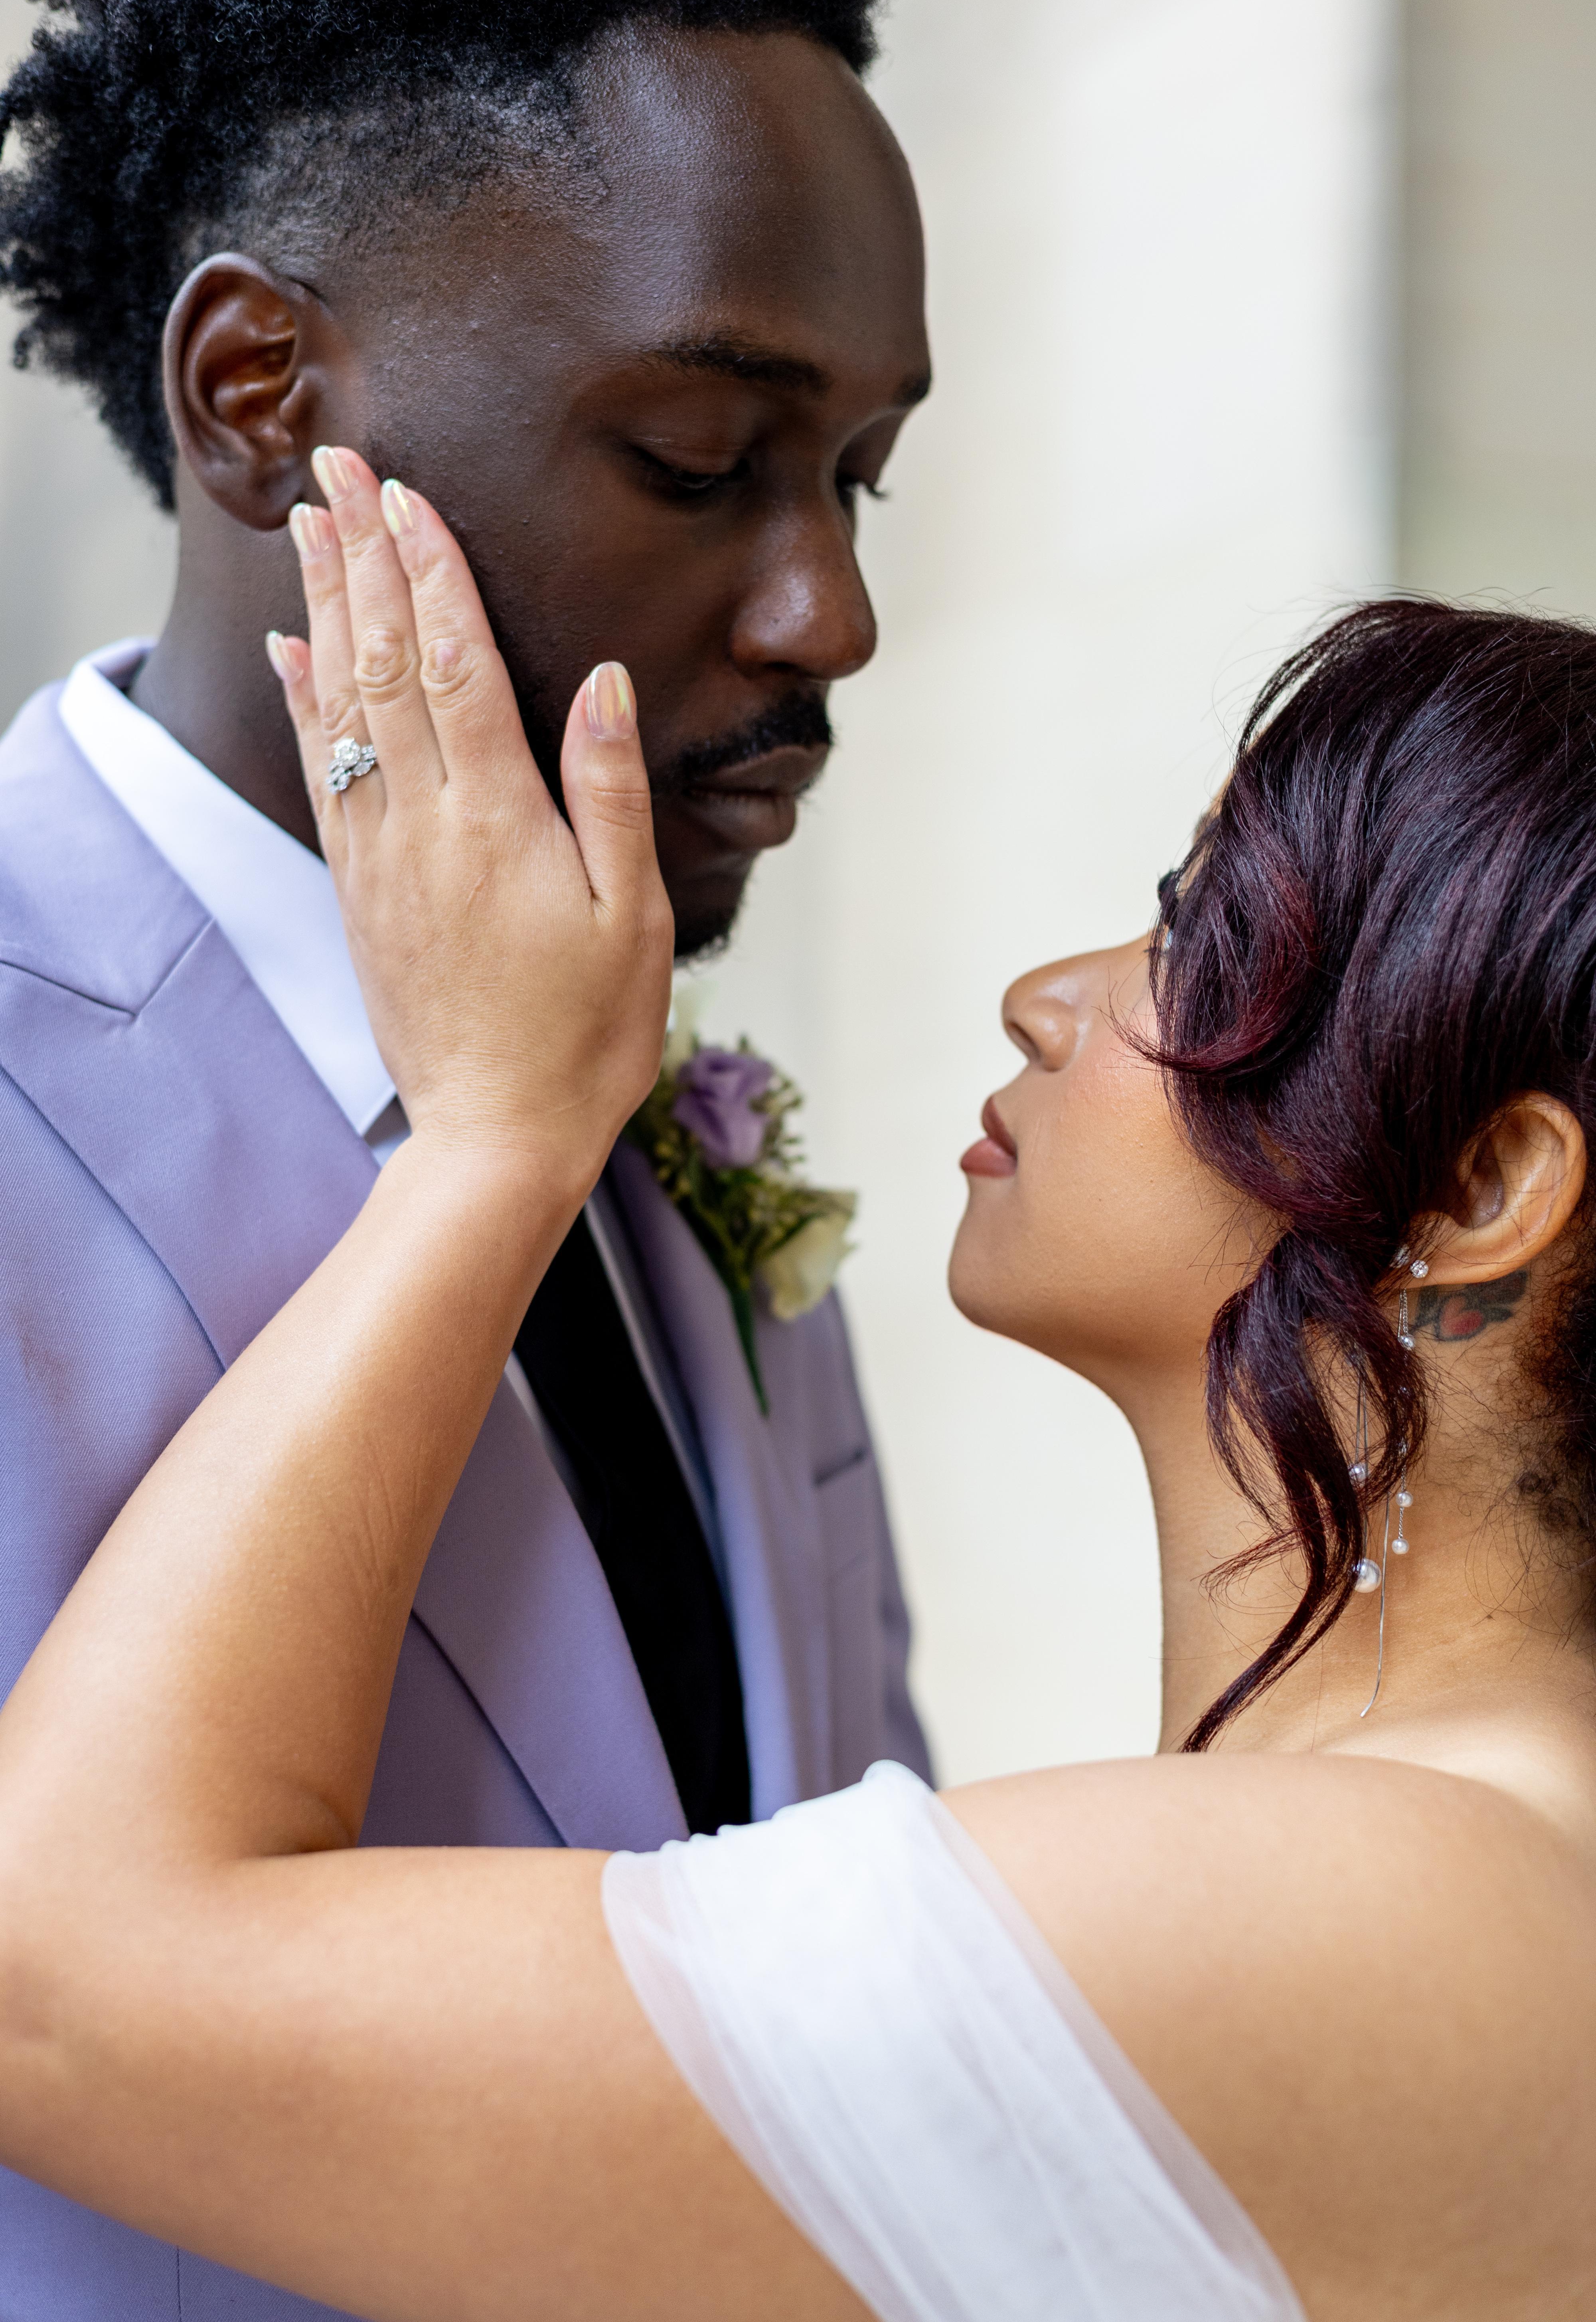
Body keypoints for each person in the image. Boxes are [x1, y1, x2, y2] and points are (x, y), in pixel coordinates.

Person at [4, 461, 1596, 2322]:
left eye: (1201, 940)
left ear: (1480, 1188)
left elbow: (58, 1986)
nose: (1046, 997)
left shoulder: (1391, 1904)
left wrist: (495, 1145)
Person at [0, 0, 934, 2307]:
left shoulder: (658, 1105)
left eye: (860, 477)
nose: (829, 615)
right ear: (258, 395)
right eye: (701, 461)